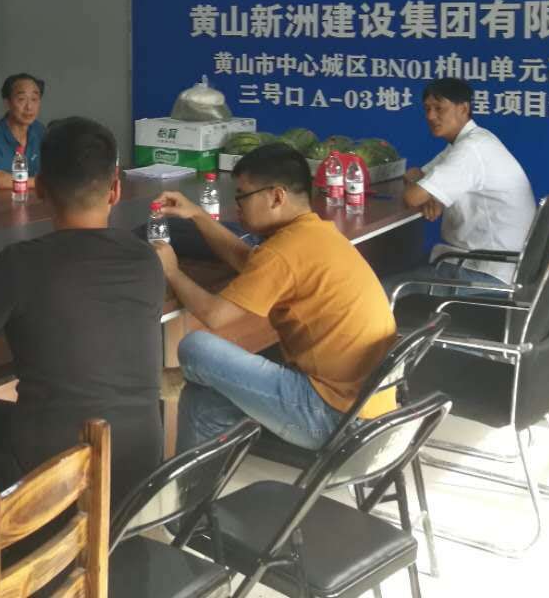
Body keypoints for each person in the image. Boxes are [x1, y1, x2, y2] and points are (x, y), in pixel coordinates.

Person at [0, 116, 165, 514]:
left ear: (39, 189)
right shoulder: (146, 260)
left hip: (49, 487)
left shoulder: (19, 266)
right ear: (115, 189)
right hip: (136, 475)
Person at [155, 143, 397, 452]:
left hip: (333, 417)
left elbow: (214, 316)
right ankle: (190, 482)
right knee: (203, 399)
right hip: (370, 412)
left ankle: (176, 379)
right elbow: (249, 261)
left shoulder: (283, 252)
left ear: (277, 196)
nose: (237, 206)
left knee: (195, 346)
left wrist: (171, 271)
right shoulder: (315, 233)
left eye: (242, 196)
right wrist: (197, 216)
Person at [385, 77, 537, 297]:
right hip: (494, 265)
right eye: (427, 109)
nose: (430, 116)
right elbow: (415, 174)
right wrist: (431, 194)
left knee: (378, 291)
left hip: (486, 273)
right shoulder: (469, 141)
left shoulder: (471, 149)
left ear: (463, 108)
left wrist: (428, 194)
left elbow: (413, 197)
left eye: (439, 108)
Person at [0, 73, 46, 190]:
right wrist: (45, 182)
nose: (29, 107)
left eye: (34, 99)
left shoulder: (39, 130)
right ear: (7, 103)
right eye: (21, 99)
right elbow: (0, 181)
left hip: (30, 198)